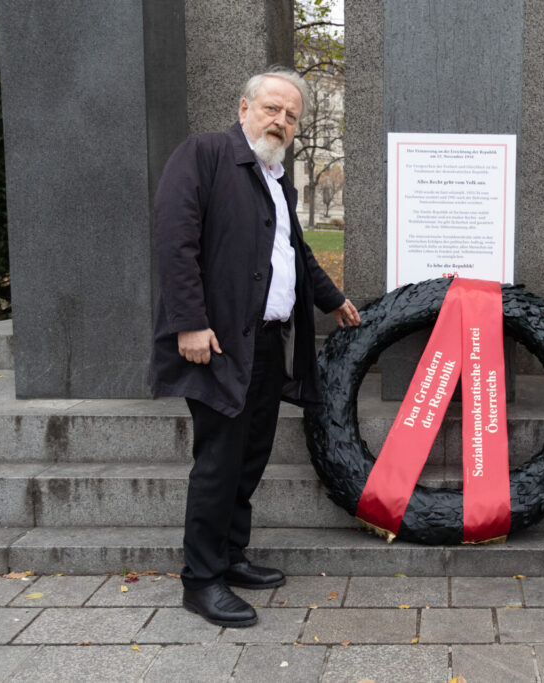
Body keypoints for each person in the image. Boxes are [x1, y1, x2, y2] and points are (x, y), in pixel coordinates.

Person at [149, 68, 360, 628]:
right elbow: (174, 241)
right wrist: (189, 324)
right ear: (244, 108)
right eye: (271, 108)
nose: (280, 121)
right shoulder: (204, 155)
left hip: (268, 341)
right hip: (217, 342)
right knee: (219, 462)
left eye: (291, 115)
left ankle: (230, 556)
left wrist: (332, 299)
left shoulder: (276, 177)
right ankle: (201, 581)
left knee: (250, 456)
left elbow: (294, 248)